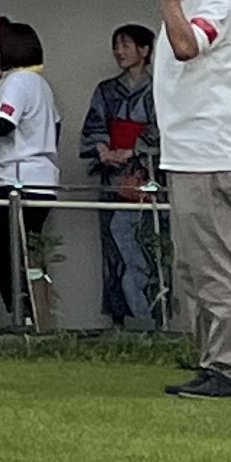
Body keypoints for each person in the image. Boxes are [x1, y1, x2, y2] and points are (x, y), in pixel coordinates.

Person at [139, 0, 231, 400]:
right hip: (187, 154)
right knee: (193, 268)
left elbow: (188, 47)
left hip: (208, 156)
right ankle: (214, 363)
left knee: (215, 267)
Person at [0, 18, 61, 330]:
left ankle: (21, 317)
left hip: (17, 182)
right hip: (41, 179)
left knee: (7, 256)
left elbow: (2, 125)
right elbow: (57, 128)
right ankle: (34, 315)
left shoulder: (18, 82)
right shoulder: (41, 84)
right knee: (29, 254)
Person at [83, 23, 159, 330]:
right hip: (113, 177)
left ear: (145, 50)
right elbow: (94, 125)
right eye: (117, 45)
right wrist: (103, 150)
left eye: (127, 45)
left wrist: (136, 151)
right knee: (113, 247)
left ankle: (154, 317)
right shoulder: (106, 90)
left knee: (147, 244)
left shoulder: (158, 90)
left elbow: (162, 128)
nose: (119, 51)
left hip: (146, 174)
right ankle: (118, 319)